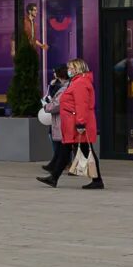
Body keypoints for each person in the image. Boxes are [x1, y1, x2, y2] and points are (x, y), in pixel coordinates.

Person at [39, 58, 102, 190]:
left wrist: (80, 124)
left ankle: (97, 180)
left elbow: (81, 105)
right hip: (73, 123)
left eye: (71, 68)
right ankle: (54, 177)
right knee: (66, 150)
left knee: (85, 150)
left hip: (77, 124)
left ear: (78, 69)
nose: (69, 70)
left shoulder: (80, 83)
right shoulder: (78, 81)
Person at [39, 64, 69, 177]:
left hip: (62, 119)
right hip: (59, 120)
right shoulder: (58, 84)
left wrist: (46, 107)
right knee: (62, 146)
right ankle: (54, 170)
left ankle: (55, 172)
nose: (54, 74)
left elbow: (57, 104)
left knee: (63, 146)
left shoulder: (64, 87)